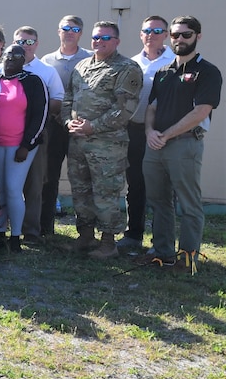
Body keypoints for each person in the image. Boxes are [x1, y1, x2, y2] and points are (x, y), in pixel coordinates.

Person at [142, 16, 222, 273]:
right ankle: (162, 253)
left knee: (188, 204)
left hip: (184, 145)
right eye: (175, 35)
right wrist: (150, 132)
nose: (179, 39)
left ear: (198, 36)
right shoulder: (163, 72)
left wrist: (166, 135)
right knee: (159, 201)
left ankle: (187, 259)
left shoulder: (207, 71)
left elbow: (201, 111)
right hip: (155, 145)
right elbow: (152, 107)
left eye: (185, 35)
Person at [61, 21, 142, 259]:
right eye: (96, 38)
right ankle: (86, 236)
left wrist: (92, 127)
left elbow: (126, 108)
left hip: (108, 146)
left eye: (105, 38)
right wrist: (68, 122)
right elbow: (68, 100)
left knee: (106, 193)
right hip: (77, 143)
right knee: (81, 189)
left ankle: (108, 243)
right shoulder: (82, 66)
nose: (99, 42)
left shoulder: (127, 68)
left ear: (116, 41)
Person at [119, 16, 177, 251]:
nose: (151, 34)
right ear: (141, 35)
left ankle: (161, 241)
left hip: (162, 133)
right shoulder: (132, 63)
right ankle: (133, 235)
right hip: (134, 129)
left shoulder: (175, 61)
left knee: (162, 187)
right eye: (147, 30)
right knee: (135, 184)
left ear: (165, 34)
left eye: (157, 30)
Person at [6, 26, 64, 244]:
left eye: (29, 42)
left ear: (36, 44)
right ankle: (5, 227)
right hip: (5, 135)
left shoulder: (45, 70)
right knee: (5, 182)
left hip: (36, 132)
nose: (24, 45)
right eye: (20, 41)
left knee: (34, 182)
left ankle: (31, 230)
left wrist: (37, 111)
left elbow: (58, 100)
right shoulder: (3, 69)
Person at [0, 45, 48, 252]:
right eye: (8, 55)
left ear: (24, 60)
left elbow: (41, 116)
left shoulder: (33, 81)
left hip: (21, 146)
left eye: (17, 56)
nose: (11, 59)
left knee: (14, 190)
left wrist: (26, 145)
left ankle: (15, 237)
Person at [39, 15, 92, 236]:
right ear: (58, 31)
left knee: (82, 178)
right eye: (66, 28)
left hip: (82, 127)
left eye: (75, 28)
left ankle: (86, 232)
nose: (70, 32)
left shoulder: (90, 58)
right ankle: (45, 228)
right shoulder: (47, 61)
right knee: (48, 177)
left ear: (81, 33)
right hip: (54, 127)